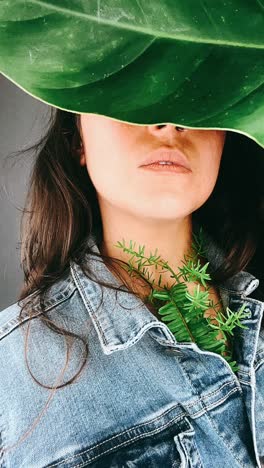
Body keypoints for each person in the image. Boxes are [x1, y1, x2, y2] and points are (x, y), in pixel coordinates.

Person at [0, 109, 263, 467]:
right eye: (131, 97)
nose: (169, 123)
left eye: (193, 94)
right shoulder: (12, 380)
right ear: (78, 139)